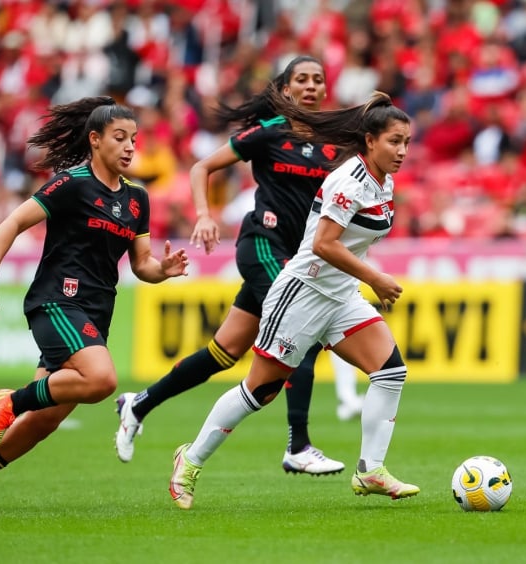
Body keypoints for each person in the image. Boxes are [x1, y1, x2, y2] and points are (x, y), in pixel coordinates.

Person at [168, 91, 417, 510]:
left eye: (407, 142)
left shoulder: (384, 182)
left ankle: (371, 470)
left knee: (391, 373)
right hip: (303, 292)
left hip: (339, 297)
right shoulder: (347, 181)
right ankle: (188, 462)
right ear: (370, 141)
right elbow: (323, 244)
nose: (402, 151)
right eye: (394, 141)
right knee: (258, 392)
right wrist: (374, 277)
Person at [113, 55, 360, 475]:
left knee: (223, 353)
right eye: (302, 79)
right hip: (262, 243)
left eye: (318, 79)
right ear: (285, 90)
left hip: (298, 256)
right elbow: (201, 167)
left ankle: (138, 403)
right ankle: (298, 445)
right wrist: (204, 215)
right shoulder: (267, 133)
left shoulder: (335, 141)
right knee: (302, 327)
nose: (312, 86)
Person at [0, 96, 189, 512]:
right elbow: (12, 222)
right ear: (95, 140)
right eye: (120, 138)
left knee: (45, 422)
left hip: (96, 313)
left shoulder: (137, 199)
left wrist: (163, 269)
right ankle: (9, 401)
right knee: (102, 381)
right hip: (56, 302)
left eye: (134, 139)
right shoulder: (72, 183)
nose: (131, 146)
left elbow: (142, 265)